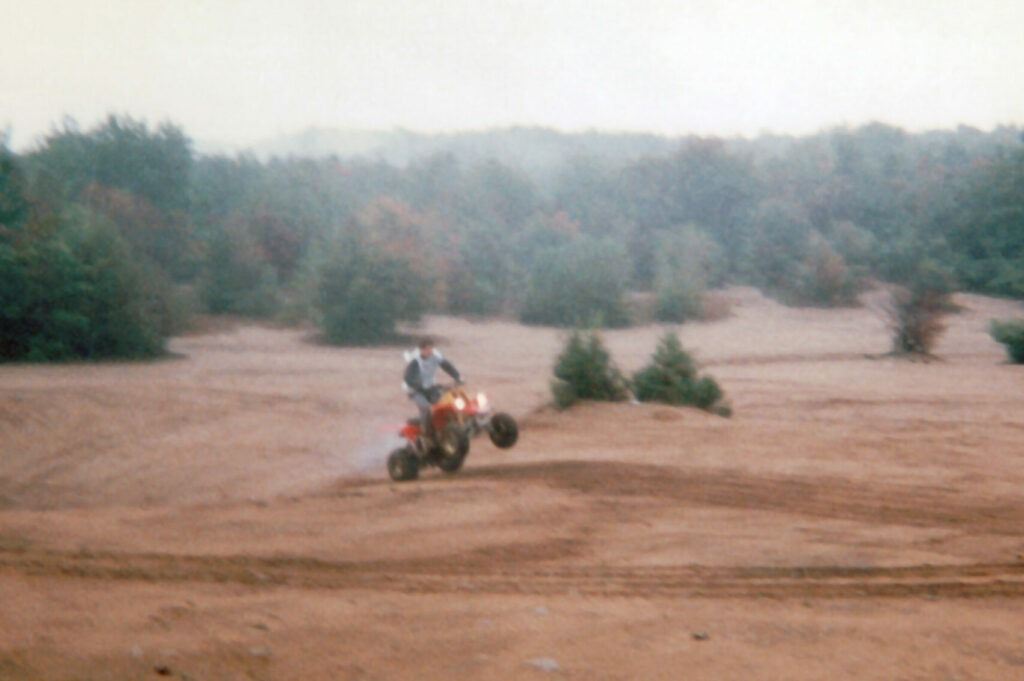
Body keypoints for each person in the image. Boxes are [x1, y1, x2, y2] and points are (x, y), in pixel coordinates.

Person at [403, 338, 462, 446]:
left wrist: (457, 377)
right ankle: (426, 434)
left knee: (444, 403)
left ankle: (444, 429)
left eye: (431, 348)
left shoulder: (436, 356)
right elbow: (408, 378)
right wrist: (419, 386)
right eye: (427, 349)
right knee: (425, 407)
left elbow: (446, 366)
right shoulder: (415, 361)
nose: (430, 351)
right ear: (421, 350)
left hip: (430, 387)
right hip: (415, 391)